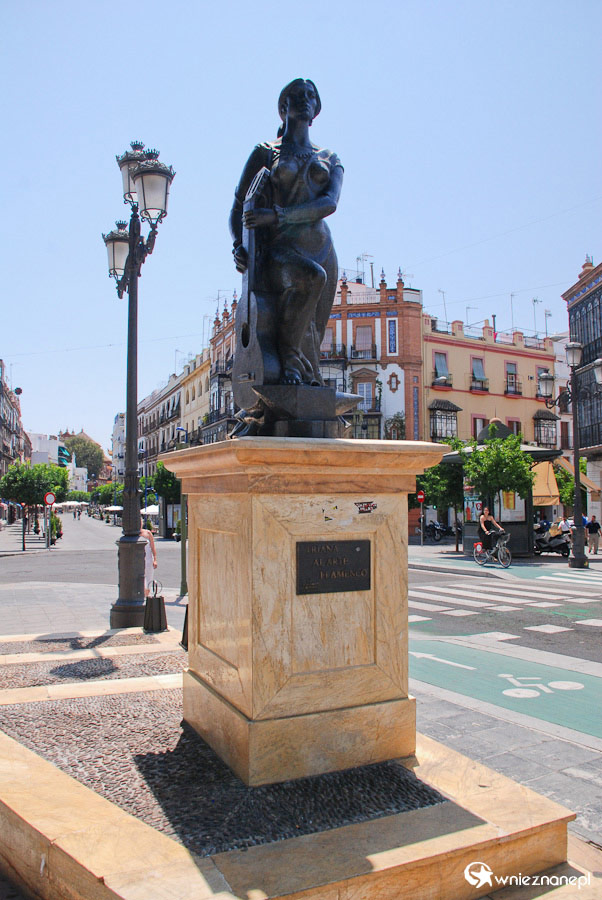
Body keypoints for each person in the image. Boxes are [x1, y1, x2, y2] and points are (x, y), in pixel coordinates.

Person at [230, 78, 343, 390]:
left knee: (314, 328)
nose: (305, 99)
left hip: (322, 248)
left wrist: (276, 215)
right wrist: (238, 243)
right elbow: (239, 205)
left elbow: (328, 203)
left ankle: (305, 374)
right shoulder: (265, 152)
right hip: (280, 247)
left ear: (316, 109)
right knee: (310, 278)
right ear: (284, 107)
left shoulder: (330, 158)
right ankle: (289, 361)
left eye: (311, 96)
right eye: (297, 95)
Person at [140, 517, 157, 596]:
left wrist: (155, 560)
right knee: (142, 580)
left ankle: (146, 596)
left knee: (149, 579)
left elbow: (153, 547)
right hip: (139, 560)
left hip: (149, 559)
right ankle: (143, 596)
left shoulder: (148, 533)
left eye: (141, 522)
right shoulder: (134, 534)